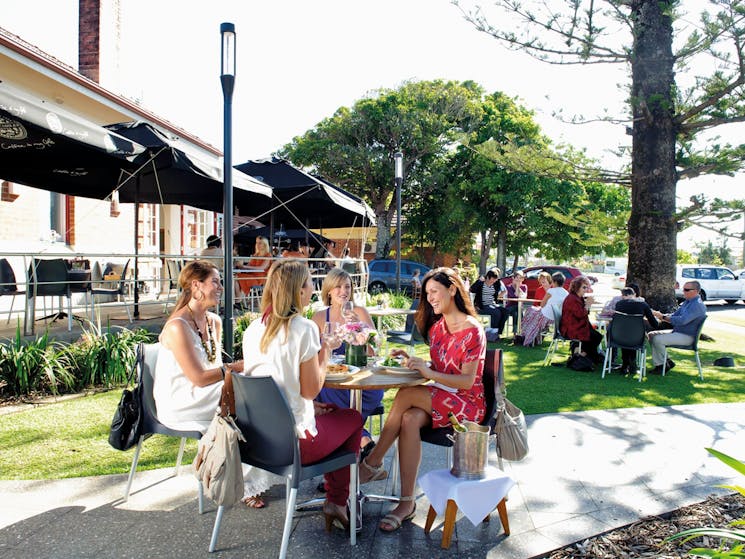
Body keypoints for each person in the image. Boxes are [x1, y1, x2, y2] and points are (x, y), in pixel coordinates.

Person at [359, 267, 486, 533]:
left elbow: (465, 381)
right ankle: (407, 504)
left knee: (405, 395)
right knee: (408, 418)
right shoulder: (438, 328)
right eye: (427, 293)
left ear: (452, 289)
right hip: (442, 397)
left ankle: (372, 463)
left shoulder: (473, 330)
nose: (430, 298)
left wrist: (428, 372)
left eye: (434, 291)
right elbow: (440, 367)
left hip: (467, 403)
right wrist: (415, 363)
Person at [242, 259, 362, 531]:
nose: (312, 288)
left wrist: (309, 407)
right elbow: (310, 389)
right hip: (294, 446)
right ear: (299, 291)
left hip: (259, 441)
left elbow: (275, 384)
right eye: (309, 283)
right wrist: (326, 351)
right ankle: (336, 500)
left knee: (331, 410)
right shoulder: (304, 328)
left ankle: (336, 498)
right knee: (353, 418)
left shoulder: (253, 330)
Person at [153, 261, 272, 508]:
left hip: (207, 392)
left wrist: (235, 371)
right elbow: (197, 377)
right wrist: (235, 369)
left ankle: (251, 476)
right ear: (196, 286)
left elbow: (215, 368)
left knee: (252, 394)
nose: (221, 287)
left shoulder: (213, 321)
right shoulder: (177, 326)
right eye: (215, 282)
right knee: (250, 400)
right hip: (181, 399)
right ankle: (245, 482)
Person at [311, 268, 382, 459]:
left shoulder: (359, 311)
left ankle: (339, 467)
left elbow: (374, 353)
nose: (343, 291)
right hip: (332, 380)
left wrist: (360, 328)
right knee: (323, 395)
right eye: (338, 287)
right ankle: (362, 442)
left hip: (362, 382)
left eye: (347, 286)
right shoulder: (319, 317)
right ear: (329, 291)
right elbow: (311, 356)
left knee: (331, 405)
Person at [648, 280, 707, 375]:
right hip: (679, 332)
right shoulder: (687, 302)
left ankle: (661, 365)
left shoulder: (697, 305)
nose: (683, 291)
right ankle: (666, 362)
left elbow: (682, 320)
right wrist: (661, 315)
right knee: (651, 335)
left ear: (696, 291)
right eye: (683, 289)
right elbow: (675, 315)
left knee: (658, 339)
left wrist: (663, 317)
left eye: (687, 290)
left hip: (687, 336)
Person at [612, 287, 659, 375]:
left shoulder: (619, 304)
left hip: (618, 337)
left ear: (622, 296)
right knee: (632, 334)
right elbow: (654, 323)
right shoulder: (643, 304)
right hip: (636, 337)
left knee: (626, 332)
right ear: (634, 294)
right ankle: (631, 362)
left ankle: (625, 364)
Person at [560, 276, 603, 364]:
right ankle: (582, 355)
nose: (586, 289)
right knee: (596, 337)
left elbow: (583, 314)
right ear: (577, 287)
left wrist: (588, 304)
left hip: (578, 325)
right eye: (584, 287)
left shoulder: (578, 297)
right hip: (572, 328)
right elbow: (580, 314)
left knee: (596, 335)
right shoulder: (572, 298)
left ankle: (586, 355)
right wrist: (587, 305)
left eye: (586, 287)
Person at [520, 271, 568, 347]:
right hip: (556, 318)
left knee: (529, 312)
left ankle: (526, 337)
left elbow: (542, 305)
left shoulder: (551, 291)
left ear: (554, 282)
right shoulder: (566, 293)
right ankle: (535, 337)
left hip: (545, 316)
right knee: (533, 313)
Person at [469, 267, 505, 333]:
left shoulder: (495, 285)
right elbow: (471, 289)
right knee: (496, 312)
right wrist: (478, 281)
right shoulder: (481, 284)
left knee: (505, 311)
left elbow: (503, 290)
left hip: (492, 304)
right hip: (482, 306)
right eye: (493, 278)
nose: (494, 280)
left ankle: (498, 331)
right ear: (488, 277)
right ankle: (492, 331)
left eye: (495, 279)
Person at [501, 270, 527, 335]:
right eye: (517, 278)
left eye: (520, 278)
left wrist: (518, 287)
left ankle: (515, 334)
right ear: (513, 278)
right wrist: (517, 287)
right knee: (517, 311)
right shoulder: (508, 287)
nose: (518, 280)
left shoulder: (524, 287)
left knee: (516, 313)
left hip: (519, 307)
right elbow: (514, 297)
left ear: (523, 279)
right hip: (510, 306)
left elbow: (523, 298)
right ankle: (519, 332)